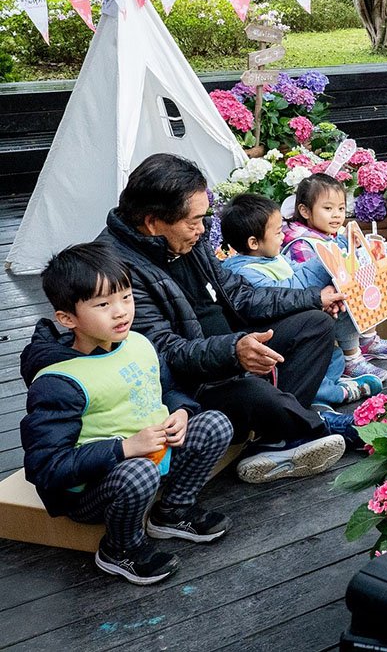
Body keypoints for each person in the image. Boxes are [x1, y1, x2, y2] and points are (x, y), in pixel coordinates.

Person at [99, 154, 348, 484]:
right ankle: (318, 425)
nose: (202, 230)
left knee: (315, 322)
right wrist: (233, 351)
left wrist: (315, 297)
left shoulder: (188, 238)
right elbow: (165, 352)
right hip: (193, 384)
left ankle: (275, 436)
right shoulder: (115, 269)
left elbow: (240, 295)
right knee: (253, 394)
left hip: (234, 348)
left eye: (203, 219)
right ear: (153, 223)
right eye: (193, 222)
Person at [22, 243, 233, 584]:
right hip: (94, 489)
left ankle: (173, 512)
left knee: (214, 424)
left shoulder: (137, 342)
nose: (120, 312)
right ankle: (120, 549)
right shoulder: (59, 381)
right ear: (67, 318)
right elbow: (45, 467)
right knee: (137, 474)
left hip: (153, 458)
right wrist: (122, 448)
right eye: (103, 304)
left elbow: (162, 389)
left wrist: (180, 410)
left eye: (126, 297)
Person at [220, 193, 384, 407]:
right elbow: (290, 288)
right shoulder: (246, 271)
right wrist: (323, 279)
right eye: (278, 232)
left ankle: (323, 390)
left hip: (301, 328)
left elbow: (299, 273)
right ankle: (337, 393)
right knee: (318, 354)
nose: (282, 237)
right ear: (253, 242)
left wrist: (338, 251)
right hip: (277, 341)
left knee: (333, 357)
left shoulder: (272, 257)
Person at [282, 172, 387, 377]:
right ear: (304, 211)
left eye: (340, 208)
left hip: (337, 290)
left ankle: (367, 340)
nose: (337, 215)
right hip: (318, 302)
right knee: (347, 295)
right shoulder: (302, 243)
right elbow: (311, 280)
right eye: (328, 208)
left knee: (367, 281)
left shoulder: (334, 234)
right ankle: (351, 357)